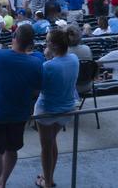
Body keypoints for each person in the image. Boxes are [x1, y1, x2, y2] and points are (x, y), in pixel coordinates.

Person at [0, 25, 44, 188]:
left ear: (14, 38)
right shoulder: (35, 62)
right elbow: (38, 86)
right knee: (11, 149)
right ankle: (2, 183)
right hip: (19, 114)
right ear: (30, 44)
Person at [35, 27, 79, 188]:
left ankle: (47, 182)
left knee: (46, 148)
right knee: (51, 142)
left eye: (47, 42)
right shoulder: (74, 58)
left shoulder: (48, 66)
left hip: (47, 111)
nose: (45, 44)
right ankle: (49, 177)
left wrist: (46, 60)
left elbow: (39, 87)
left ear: (52, 45)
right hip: (67, 110)